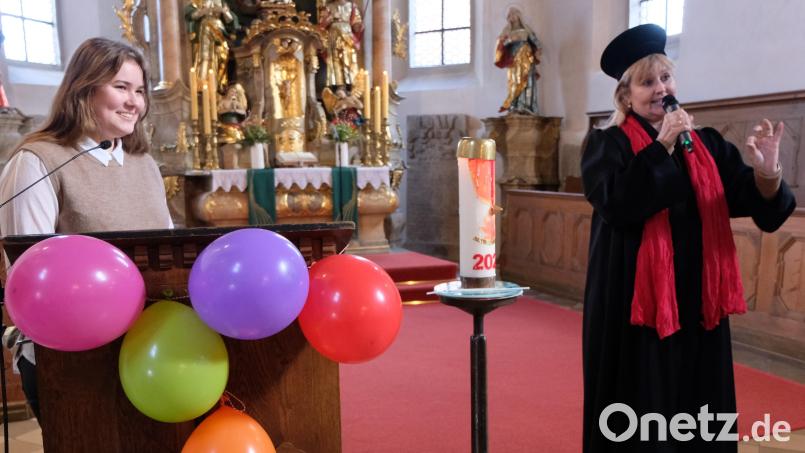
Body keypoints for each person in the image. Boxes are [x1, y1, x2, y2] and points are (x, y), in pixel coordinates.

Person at [581, 24, 795, 452]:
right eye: (647, 82)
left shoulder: (708, 145)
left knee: (700, 414)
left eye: (666, 78)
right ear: (626, 97)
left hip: (700, 310)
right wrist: (661, 146)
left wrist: (768, 172)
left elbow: (761, 207)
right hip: (635, 312)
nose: (661, 89)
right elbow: (619, 205)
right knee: (639, 415)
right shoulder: (606, 146)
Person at [0, 37, 173, 422]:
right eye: (121, 87)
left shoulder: (143, 163)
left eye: (140, 91)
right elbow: (26, 275)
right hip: (70, 356)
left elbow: (169, 253)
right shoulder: (37, 160)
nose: (135, 102)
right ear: (84, 88)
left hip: (146, 350)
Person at [495, 7, 542, 114]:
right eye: (510, 15)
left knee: (528, 80)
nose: (512, 16)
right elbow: (500, 44)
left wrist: (538, 50)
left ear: (518, 15)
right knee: (515, 80)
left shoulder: (526, 28)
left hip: (527, 56)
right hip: (514, 58)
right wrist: (509, 40)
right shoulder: (507, 30)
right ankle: (516, 104)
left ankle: (527, 105)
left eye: (514, 14)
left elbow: (535, 41)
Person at [319, 0, 364, 88]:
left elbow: (355, 24)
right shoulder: (329, 6)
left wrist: (358, 26)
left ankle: (352, 84)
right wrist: (329, 19)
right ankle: (340, 85)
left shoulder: (352, 6)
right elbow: (322, 24)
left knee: (349, 58)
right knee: (336, 59)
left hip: (347, 36)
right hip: (334, 36)